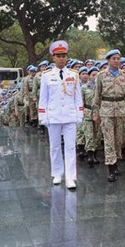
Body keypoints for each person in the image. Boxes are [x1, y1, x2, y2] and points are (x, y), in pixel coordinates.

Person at [38, 40, 84, 189]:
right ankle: (57, 173)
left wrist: (79, 114)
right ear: (53, 57)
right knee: (55, 147)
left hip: (70, 115)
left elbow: (78, 97)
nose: (62, 58)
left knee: (71, 147)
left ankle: (71, 177)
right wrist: (43, 116)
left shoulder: (74, 74)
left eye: (64, 55)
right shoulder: (46, 75)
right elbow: (43, 98)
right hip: (54, 116)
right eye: (58, 55)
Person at [92, 49, 125, 182]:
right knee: (109, 139)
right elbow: (96, 95)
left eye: (118, 58)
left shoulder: (124, 75)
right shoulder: (101, 75)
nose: (116, 61)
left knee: (118, 139)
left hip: (121, 110)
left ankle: (115, 163)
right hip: (106, 111)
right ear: (108, 60)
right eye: (114, 58)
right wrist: (95, 112)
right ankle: (110, 167)